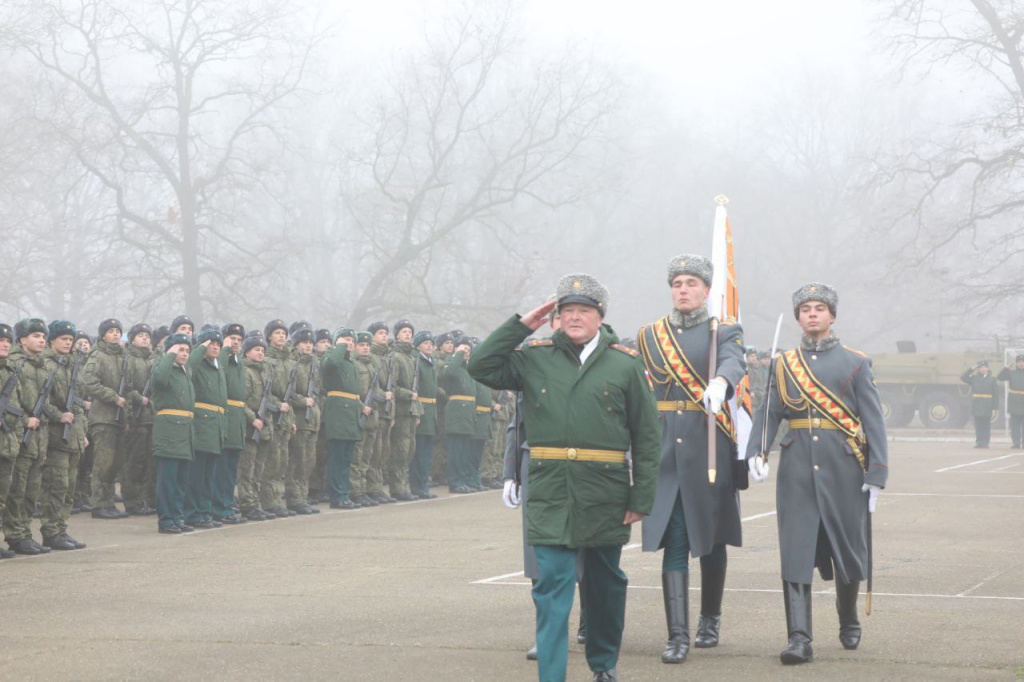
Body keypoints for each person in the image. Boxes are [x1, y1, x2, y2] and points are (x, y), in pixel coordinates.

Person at [469, 273, 660, 682]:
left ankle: (604, 663)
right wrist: (523, 324)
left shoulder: (624, 364)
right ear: (555, 316)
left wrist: (640, 497)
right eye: (566, 310)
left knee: (605, 584)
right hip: (551, 487)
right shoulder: (534, 355)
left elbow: (646, 436)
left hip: (605, 491)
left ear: (600, 317)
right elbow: (480, 365)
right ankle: (552, 675)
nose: (574, 317)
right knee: (551, 585)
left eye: (583, 311)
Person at [746, 282, 888, 664]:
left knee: (847, 547)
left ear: (832, 316)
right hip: (795, 469)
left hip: (843, 466)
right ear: (798, 318)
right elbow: (769, 412)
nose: (812, 314)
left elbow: (873, 422)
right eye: (805, 308)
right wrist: (756, 450)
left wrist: (877, 473)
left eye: (819, 308)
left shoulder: (856, 362)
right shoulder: (782, 364)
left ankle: (848, 617)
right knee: (795, 550)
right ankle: (799, 638)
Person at [635, 254, 747, 664]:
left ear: (706, 290)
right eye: (677, 283)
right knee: (675, 536)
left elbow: (737, 361)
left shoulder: (725, 331)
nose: (683, 289)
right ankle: (677, 635)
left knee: (712, 538)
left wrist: (722, 380)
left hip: (708, 443)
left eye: (691, 283)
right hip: (663, 446)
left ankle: (710, 618)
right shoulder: (649, 335)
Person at [4, 319, 58, 555]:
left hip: (38, 434)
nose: (41, 340)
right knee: (17, 489)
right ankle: (15, 534)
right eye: (36, 335)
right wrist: (25, 420)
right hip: (18, 433)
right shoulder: (14, 364)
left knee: (31, 490)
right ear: (23, 339)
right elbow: (14, 402)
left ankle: (25, 532)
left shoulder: (43, 365)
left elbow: (46, 402)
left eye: (43, 336)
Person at [39, 320, 88, 550]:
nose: (68, 343)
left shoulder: (71, 365)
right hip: (56, 437)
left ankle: (60, 528)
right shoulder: (47, 364)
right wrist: (59, 416)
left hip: (72, 436)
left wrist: (82, 431)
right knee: (56, 486)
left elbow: (77, 403)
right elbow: (41, 401)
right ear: (52, 340)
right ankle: (51, 531)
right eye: (64, 339)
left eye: (71, 340)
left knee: (68, 487)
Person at [81, 318, 130, 519]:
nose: (115, 334)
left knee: (114, 463)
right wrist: (113, 397)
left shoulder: (123, 356)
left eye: (118, 331)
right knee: (103, 463)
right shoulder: (97, 355)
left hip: (118, 418)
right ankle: (99, 504)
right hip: (103, 418)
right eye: (111, 331)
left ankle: (109, 502)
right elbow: (89, 383)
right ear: (102, 335)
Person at [151, 333, 197, 534]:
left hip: (185, 431)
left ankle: (177, 516)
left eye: (187, 350)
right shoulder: (163, 368)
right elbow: (160, 380)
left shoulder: (185, 372)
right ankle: (166, 519)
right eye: (180, 349)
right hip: (169, 431)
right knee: (168, 480)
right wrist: (168, 355)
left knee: (181, 480)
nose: (185, 354)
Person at [184, 325, 228, 529]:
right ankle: (193, 513)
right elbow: (189, 364)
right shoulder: (198, 364)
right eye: (211, 343)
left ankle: (204, 511)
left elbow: (222, 401)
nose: (215, 347)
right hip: (202, 425)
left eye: (218, 343)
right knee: (196, 474)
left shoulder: (218, 367)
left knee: (209, 475)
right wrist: (200, 348)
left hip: (216, 426)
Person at [320, 328, 365, 509]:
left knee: (347, 458)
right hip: (338, 413)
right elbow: (330, 364)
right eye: (346, 339)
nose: (350, 343)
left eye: (352, 340)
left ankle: (344, 493)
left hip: (350, 414)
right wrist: (338, 347)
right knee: (337, 458)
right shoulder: (331, 357)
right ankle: (337, 495)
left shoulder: (351, 363)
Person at [239, 332, 278, 521]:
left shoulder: (265, 371)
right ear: (246, 352)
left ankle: (255, 501)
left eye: (263, 350)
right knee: (247, 468)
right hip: (250, 427)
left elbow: (269, 400)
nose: (261, 353)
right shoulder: (245, 372)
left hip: (264, 427)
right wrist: (251, 418)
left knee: (259, 468)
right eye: (256, 349)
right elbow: (241, 401)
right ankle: (247, 504)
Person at [213, 323, 247, 524]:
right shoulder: (222, 359)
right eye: (232, 338)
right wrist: (225, 349)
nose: (235, 343)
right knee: (222, 468)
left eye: (239, 340)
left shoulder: (237, 361)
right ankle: (219, 507)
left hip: (236, 418)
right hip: (225, 416)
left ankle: (226, 505)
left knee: (230, 468)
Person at [122, 323, 157, 516]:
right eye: (140, 335)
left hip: (150, 417)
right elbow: (125, 387)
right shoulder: (128, 359)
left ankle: (146, 499)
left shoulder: (152, 360)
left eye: (147, 335)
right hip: (135, 417)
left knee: (149, 462)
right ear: (132, 338)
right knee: (134, 461)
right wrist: (138, 398)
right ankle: (132, 501)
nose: (145, 338)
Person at [387, 320, 422, 502]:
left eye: (410, 331)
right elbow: (392, 387)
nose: (408, 334)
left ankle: (403, 486)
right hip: (400, 411)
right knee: (399, 450)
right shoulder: (395, 357)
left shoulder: (411, 358)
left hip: (410, 412)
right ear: (397, 335)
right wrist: (409, 395)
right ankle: (397, 488)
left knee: (409, 450)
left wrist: (416, 411)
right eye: (404, 331)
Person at [263, 320, 295, 517]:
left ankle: (276, 500)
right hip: (272, 417)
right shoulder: (266, 360)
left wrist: (291, 419)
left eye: (284, 333)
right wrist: (277, 405)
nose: (281, 336)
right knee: (272, 461)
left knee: (282, 461)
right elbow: (264, 391)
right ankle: (269, 501)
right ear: (269, 337)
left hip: (285, 417)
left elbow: (290, 394)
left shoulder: (290, 362)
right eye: (277, 333)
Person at [442, 338, 477, 494]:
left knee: (464, 451)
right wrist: (458, 353)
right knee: (456, 451)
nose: (466, 352)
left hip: (467, 413)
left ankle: (462, 480)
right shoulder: (453, 365)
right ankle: (455, 482)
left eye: (468, 350)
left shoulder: (467, 369)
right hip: (456, 412)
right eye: (463, 350)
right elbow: (449, 372)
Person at [350, 331, 381, 508]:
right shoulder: (353, 364)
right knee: (357, 455)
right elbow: (351, 391)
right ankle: (356, 491)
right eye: (362, 345)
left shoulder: (371, 365)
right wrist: (362, 406)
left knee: (367, 456)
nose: (365, 348)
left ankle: (364, 489)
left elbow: (376, 391)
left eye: (367, 345)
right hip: (360, 413)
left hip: (373, 415)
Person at [409, 331, 441, 499]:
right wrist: (417, 412)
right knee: (419, 452)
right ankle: (417, 486)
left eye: (431, 342)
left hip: (431, 411)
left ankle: (423, 484)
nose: (429, 345)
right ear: (418, 345)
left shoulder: (430, 362)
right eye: (426, 342)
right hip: (421, 409)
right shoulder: (417, 361)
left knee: (426, 451)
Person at [962, 361, 997, 449]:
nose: (983, 369)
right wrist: (971, 369)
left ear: (988, 368)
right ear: (978, 369)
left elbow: (996, 394)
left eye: (985, 367)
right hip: (977, 404)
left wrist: (995, 407)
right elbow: (963, 377)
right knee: (978, 425)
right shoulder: (974, 378)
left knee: (986, 425)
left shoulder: (992, 379)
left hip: (987, 405)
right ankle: (979, 442)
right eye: (981, 367)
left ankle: (985, 442)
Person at [997, 355, 1024, 448]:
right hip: (1014, 402)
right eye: (1020, 361)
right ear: (1016, 363)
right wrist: (1006, 368)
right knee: (1015, 424)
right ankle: (1016, 443)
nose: (1021, 363)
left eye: (1023, 361)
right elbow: (999, 377)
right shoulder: (1011, 372)